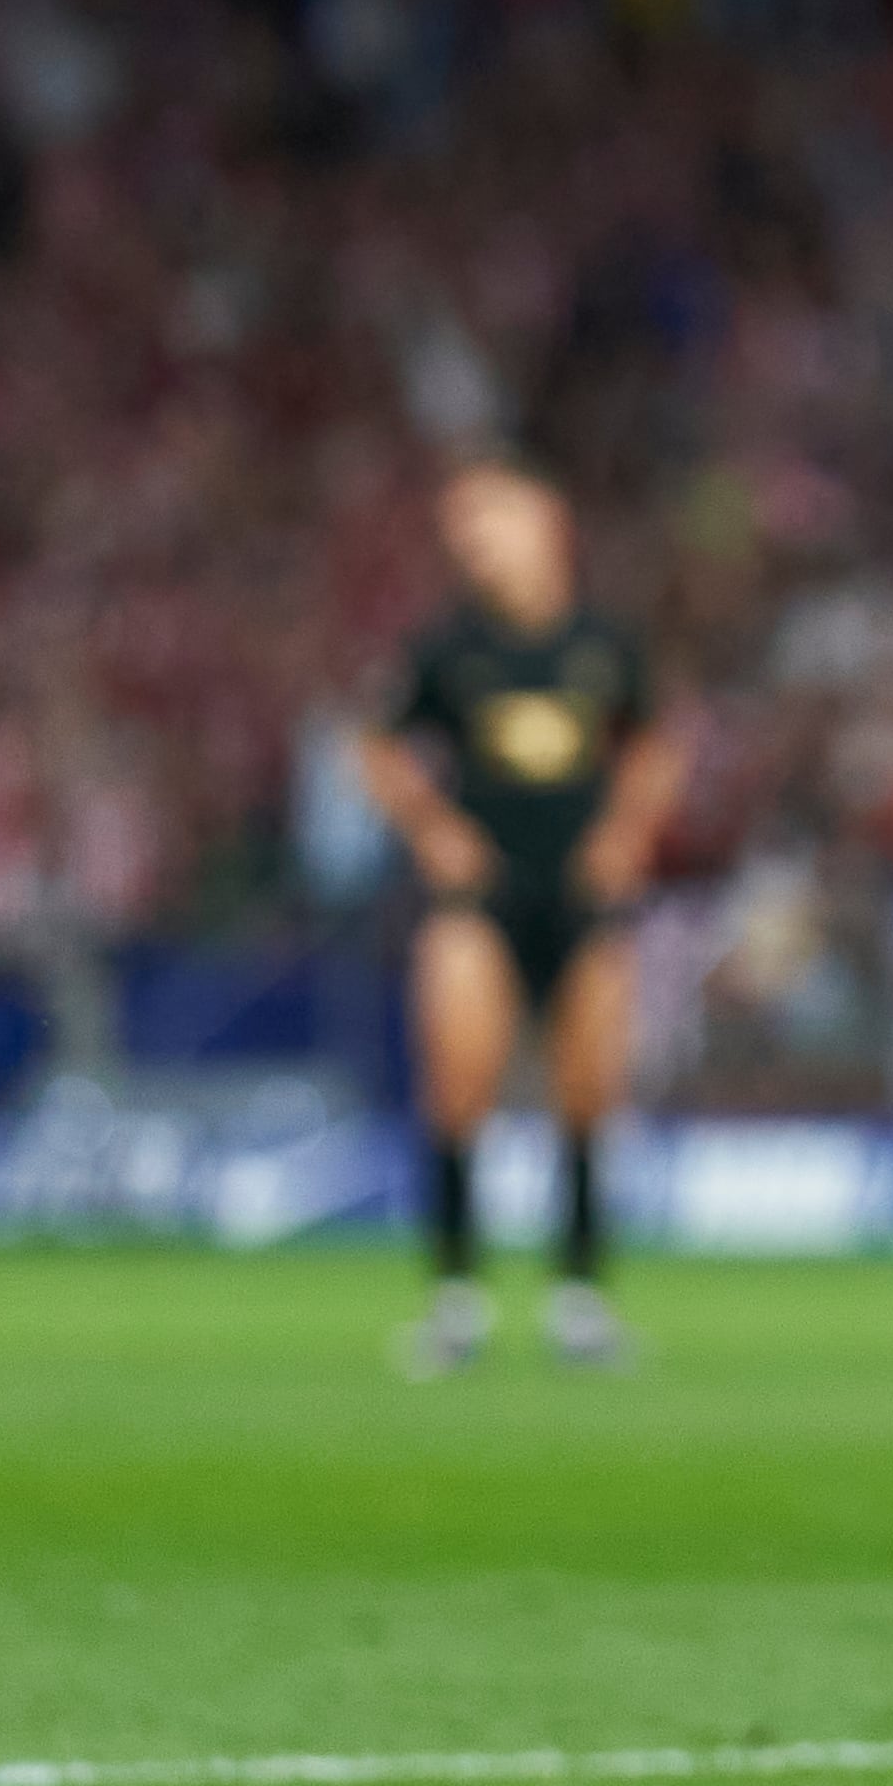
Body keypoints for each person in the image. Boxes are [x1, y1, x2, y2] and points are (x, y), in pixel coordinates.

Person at [354, 462, 678, 1376]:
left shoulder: (604, 644)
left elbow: (653, 742)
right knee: (458, 1086)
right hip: (481, 897)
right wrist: (432, 829)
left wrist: (625, 830)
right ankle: (455, 1297)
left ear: (545, 522)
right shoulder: (449, 649)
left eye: (487, 520)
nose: (473, 543)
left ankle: (581, 1296)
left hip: (583, 896)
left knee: (588, 1093)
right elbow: (377, 744)